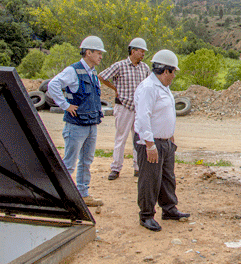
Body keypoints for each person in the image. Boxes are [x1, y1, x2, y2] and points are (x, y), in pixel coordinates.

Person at [134, 49, 189, 232]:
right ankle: (146, 215)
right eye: (173, 72)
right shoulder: (149, 88)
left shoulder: (163, 87)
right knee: (150, 179)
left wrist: (170, 135)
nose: (174, 76)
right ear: (166, 71)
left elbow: (164, 113)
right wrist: (149, 144)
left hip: (165, 141)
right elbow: (143, 117)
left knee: (167, 177)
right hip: (151, 142)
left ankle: (169, 209)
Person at [47, 35, 106, 207]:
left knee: (86, 161)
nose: (101, 56)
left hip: (90, 124)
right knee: (70, 162)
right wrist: (65, 105)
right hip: (76, 125)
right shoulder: (73, 70)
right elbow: (53, 85)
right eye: (98, 52)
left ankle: (83, 193)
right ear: (88, 52)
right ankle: (60, 195)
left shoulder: (93, 73)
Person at [98, 38, 151, 180]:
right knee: (120, 138)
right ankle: (116, 168)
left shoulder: (145, 68)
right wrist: (115, 89)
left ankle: (138, 167)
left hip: (139, 108)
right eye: (141, 51)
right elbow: (102, 76)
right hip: (123, 106)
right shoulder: (120, 66)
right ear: (133, 51)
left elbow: (149, 84)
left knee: (139, 138)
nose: (143, 54)